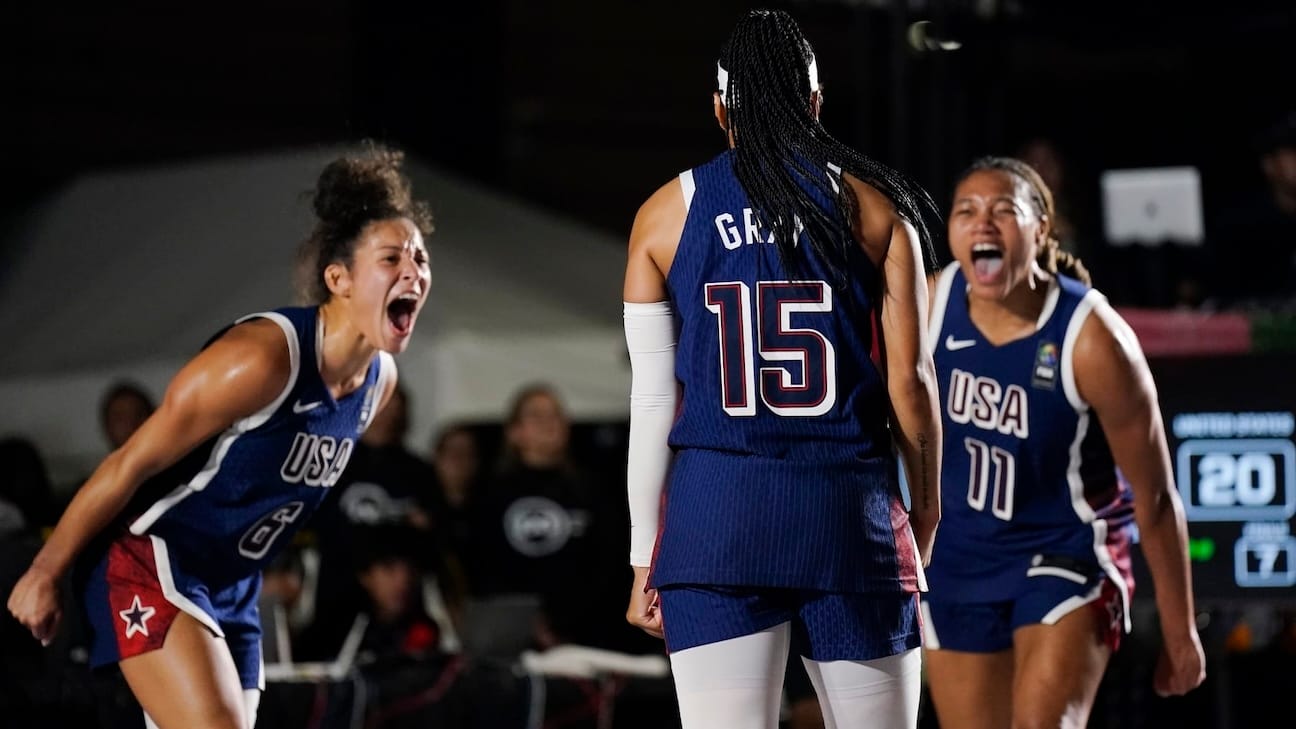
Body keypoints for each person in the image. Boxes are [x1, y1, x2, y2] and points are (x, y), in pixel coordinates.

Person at [6, 141, 434, 729]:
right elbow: (130, 463)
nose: (414, 270)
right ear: (338, 277)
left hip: (232, 583)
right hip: (151, 555)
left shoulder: (378, 383)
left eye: (421, 258)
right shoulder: (262, 359)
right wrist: (44, 571)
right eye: (393, 258)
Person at [621, 9, 943, 729]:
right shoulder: (877, 208)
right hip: (848, 516)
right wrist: (925, 508)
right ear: (816, 102)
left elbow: (651, 401)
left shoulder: (664, 215)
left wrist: (645, 549)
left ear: (719, 109)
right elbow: (913, 387)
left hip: (717, 521)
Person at [920, 156, 1206, 729]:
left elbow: (1153, 497)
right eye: (966, 211)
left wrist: (1181, 634)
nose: (983, 225)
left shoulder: (1091, 337)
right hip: (956, 558)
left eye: (1004, 211)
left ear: (1041, 228)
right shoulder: (927, 304)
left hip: (1064, 552)